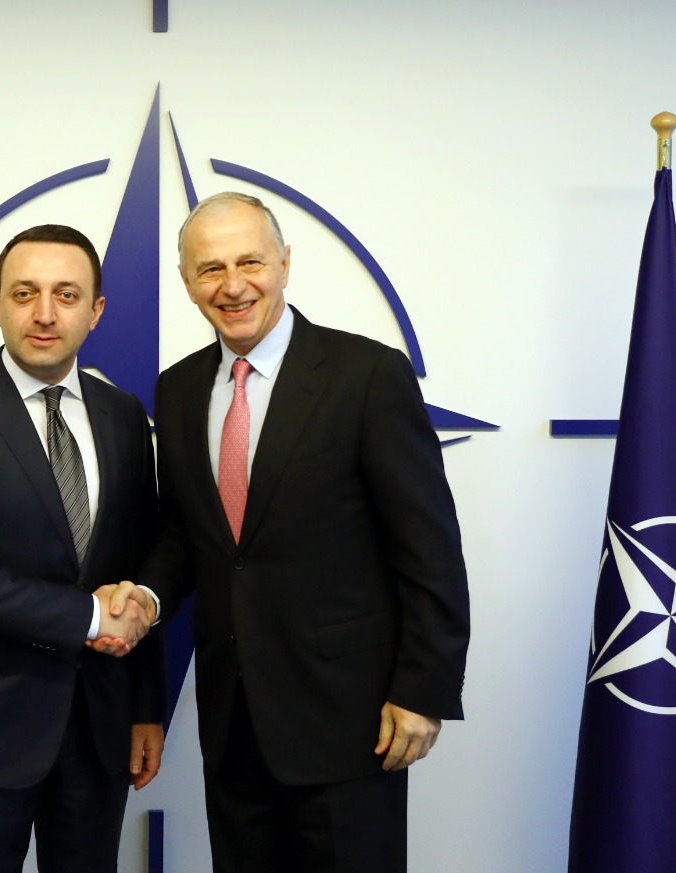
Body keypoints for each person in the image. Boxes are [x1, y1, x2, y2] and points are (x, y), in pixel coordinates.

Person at [106, 192, 470, 872]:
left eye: (249, 261)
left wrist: (424, 689)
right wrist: (147, 597)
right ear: (186, 282)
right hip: (233, 722)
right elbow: (187, 533)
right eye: (210, 268)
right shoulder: (178, 389)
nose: (233, 285)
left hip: (351, 721)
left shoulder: (367, 375)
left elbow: (430, 548)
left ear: (284, 263)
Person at [0, 224, 165, 873]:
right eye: (25, 293)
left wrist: (145, 709)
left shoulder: (124, 415)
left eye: (66, 294)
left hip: (98, 730)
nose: (45, 313)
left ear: (95, 310)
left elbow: (137, 561)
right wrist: (92, 617)